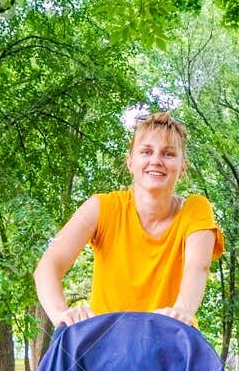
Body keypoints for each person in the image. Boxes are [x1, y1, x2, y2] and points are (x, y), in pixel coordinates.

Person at [34, 112, 225, 328]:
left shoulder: (195, 209)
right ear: (130, 162)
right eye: (146, 151)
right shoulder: (102, 207)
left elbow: (197, 268)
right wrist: (61, 313)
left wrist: (182, 309)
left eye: (168, 154)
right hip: (106, 345)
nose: (156, 160)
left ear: (182, 167)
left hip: (170, 341)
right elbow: (48, 265)